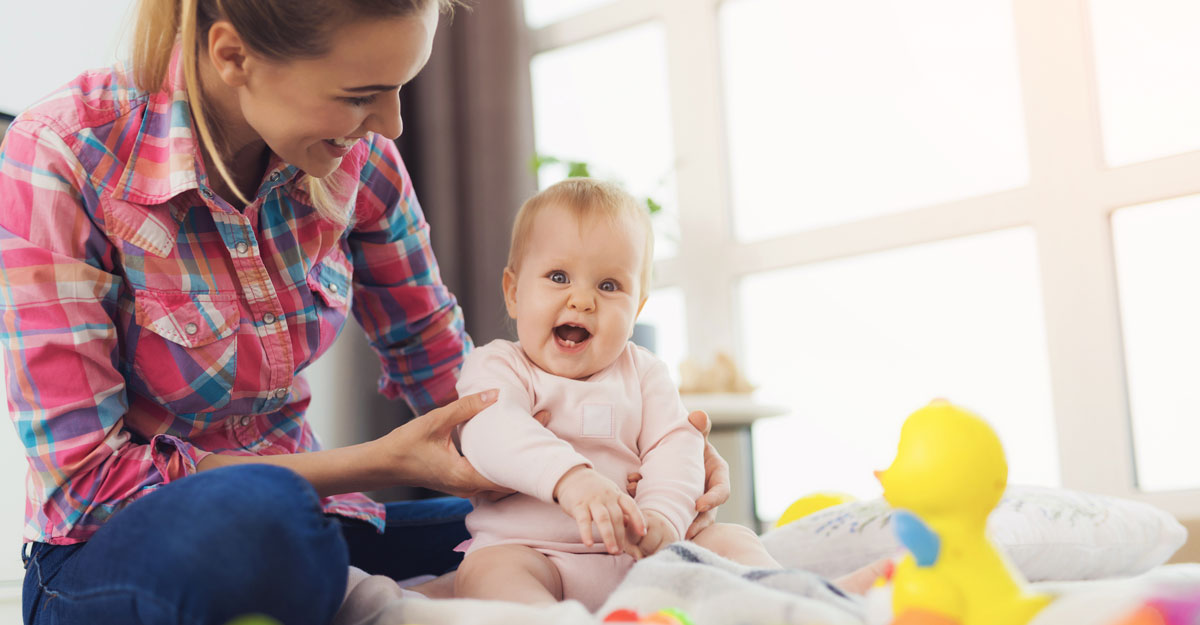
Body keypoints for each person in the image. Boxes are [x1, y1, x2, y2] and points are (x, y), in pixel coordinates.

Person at [0, 2, 733, 624]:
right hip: (113, 551)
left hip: (323, 530)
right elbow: (92, 485)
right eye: (361, 95)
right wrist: (375, 463)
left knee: (572, 534)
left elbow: (455, 383)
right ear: (234, 57)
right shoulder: (61, 155)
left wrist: (625, 469)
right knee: (260, 517)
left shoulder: (362, 159)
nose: (392, 124)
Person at [450, 179, 794, 611]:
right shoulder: (497, 366)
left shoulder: (645, 373)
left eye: (609, 286)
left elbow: (676, 444)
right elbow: (491, 430)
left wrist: (663, 517)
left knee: (732, 539)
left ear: (637, 311)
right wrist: (571, 479)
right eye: (558, 277)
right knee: (487, 573)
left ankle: (793, 605)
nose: (582, 299)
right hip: (534, 552)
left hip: (641, 555)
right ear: (514, 292)